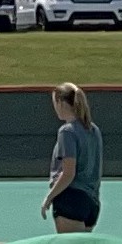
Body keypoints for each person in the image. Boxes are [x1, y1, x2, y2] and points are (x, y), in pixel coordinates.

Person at [41, 82, 103, 232]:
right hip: (92, 201)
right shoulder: (93, 130)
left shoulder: (67, 132)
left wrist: (48, 198)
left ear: (61, 103)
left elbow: (68, 173)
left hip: (71, 199)